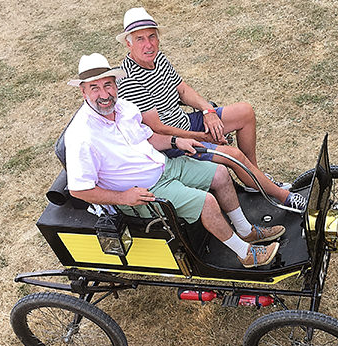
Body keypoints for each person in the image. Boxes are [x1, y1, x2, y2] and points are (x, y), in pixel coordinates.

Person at [64, 53, 285, 268]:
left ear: (116, 85)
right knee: (206, 202)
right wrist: (124, 197)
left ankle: (245, 230)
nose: (104, 94)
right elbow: (79, 190)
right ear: (83, 92)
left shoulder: (125, 108)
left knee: (220, 173)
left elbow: (149, 138)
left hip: (164, 166)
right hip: (143, 192)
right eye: (95, 88)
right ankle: (245, 253)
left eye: (108, 85)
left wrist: (176, 142)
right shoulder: (81, 136)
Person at [115, 7, 306, 211]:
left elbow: (183, 90)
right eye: (140, 39)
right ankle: (285, 197)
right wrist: (201, 137)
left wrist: (208, 111)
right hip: (175, 144)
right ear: (129, 43)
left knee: (245, 112)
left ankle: (255, 180)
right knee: (234, 155)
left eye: (152, 36)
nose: (149, 44)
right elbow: (158, 128)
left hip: (185, 122)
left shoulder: (158, 59)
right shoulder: (128, 79)